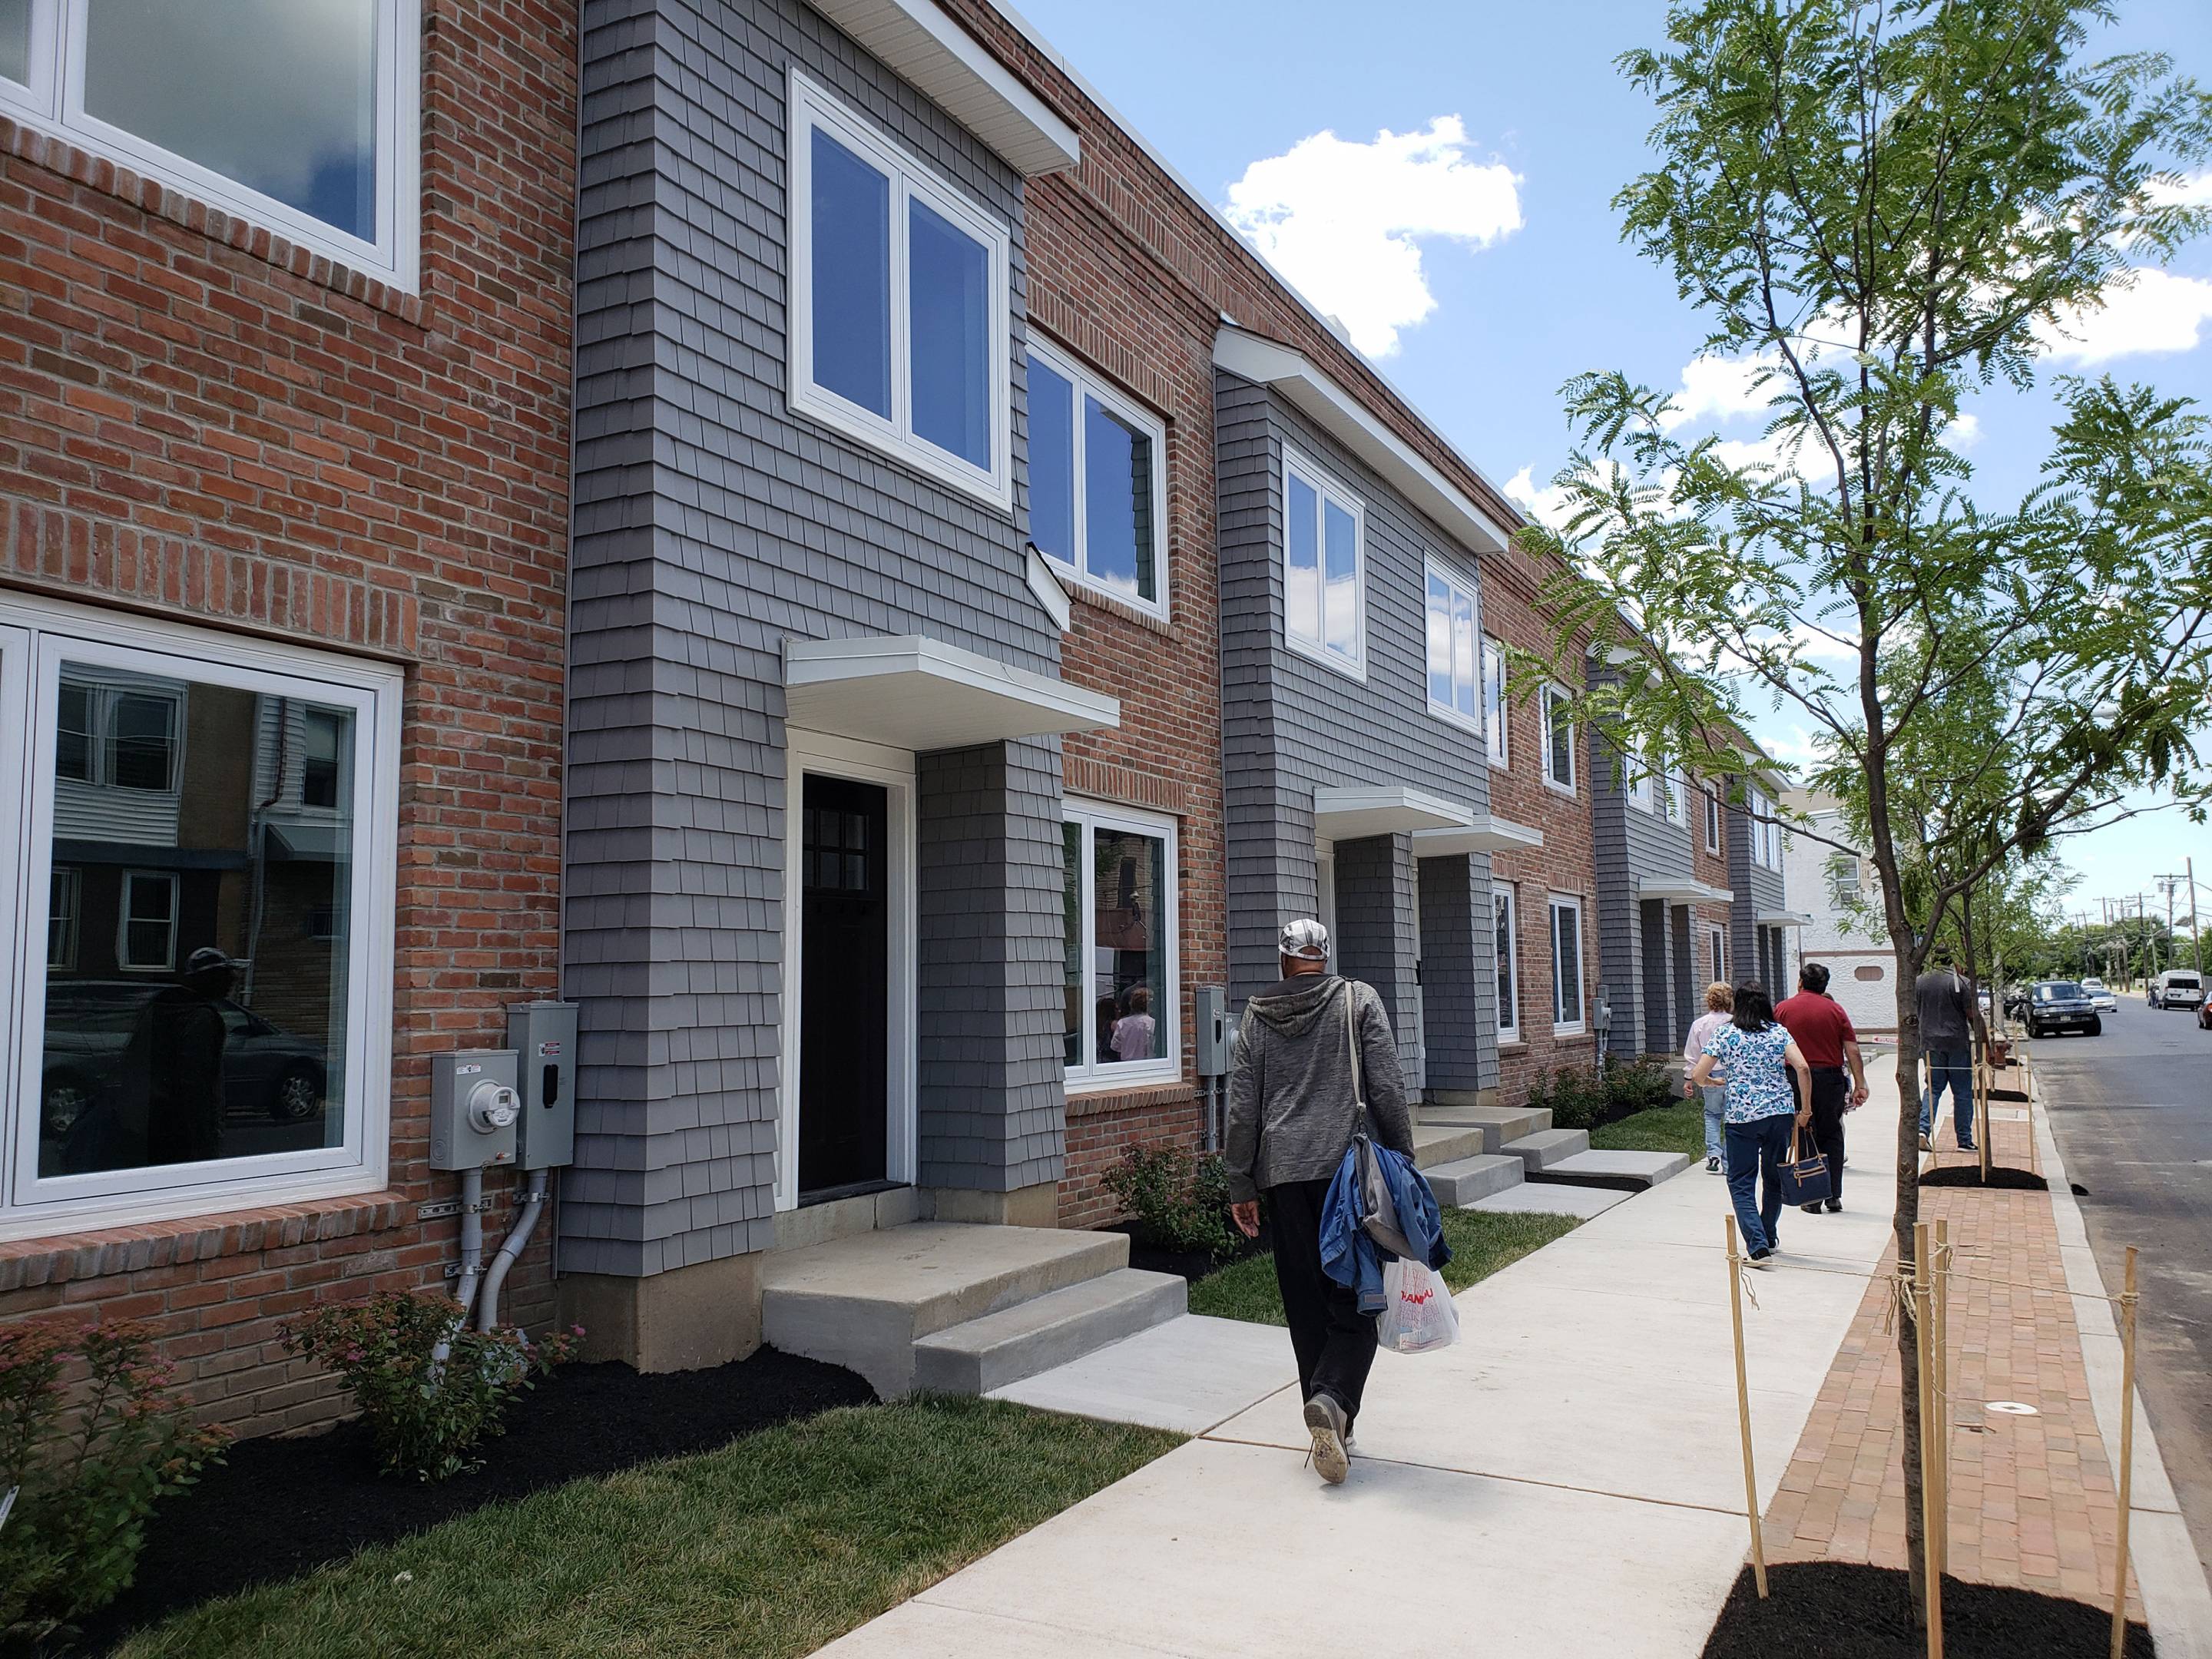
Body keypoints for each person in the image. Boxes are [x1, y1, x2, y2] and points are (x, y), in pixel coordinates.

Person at [1226, 917, 1413, 1485]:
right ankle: (1333, 1399)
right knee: (1359, 1296)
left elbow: (1242, 1107)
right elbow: (1387, 1087)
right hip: (1347, 1174)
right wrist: (1403, 1160)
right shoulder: (1359, 1000)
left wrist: (1240, 1183)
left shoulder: (1256, 1016)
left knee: (1305, 1302)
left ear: (1283, 960)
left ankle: (1331, 1418)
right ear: (1324, 957)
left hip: (1284, 1177)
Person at [1686, 983, 1813, 1267]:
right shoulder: (1779, 1032)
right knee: (1774, 1177)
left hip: (1742, 1117)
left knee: (1741, 1181)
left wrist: (1712, 1081)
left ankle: (1757, 1246)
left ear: (1737, 1005)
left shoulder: (1726, 1033)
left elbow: (1698, 1074)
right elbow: (1803, 1068)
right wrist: (1805, 1109)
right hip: (1779, 1114)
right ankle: (1768, 1235)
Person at [1776, 962, 1869, 1214]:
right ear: (1824, 985)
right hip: (1830, 1079)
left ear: (1800, 982)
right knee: (1832, 1133)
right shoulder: (1835, 1010)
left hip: (1795, 1077)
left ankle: (1811, 1195)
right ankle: (1833, 1194)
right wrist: (1860, 1084)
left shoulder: (1783, 1009)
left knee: (1804, 1130)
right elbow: (1852, 1049)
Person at [1916, 947, 1986, 1152]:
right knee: (1962, 1092)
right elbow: (1973, 1016)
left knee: (1933, 1089)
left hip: (1930, 1044)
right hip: (1957, 1044)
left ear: (1932, 959)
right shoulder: (1961, 982)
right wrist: (1985, 1045)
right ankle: (1964, 1140)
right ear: (1951, 960)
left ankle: (1923, 1130)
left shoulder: (1918, 982)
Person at [1681, 982, 1734, 1174]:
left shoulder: (1699, 1024)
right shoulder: (1735, 1023)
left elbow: (1693, 1054)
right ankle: (1728, 1162)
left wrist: (1689, 1079)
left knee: (1712, 1114)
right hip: (1732, 1075)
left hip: (1708, 1075)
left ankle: (1713, 1153)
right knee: (1731, 1118)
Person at [1109, 985, 1157, 1063]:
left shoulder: (1122, 1023)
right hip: (1146, 1063)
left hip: (1126, 1063)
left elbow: (1115, 1046)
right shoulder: (1152, 1023)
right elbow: (1153, 1046)